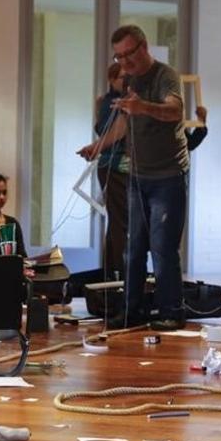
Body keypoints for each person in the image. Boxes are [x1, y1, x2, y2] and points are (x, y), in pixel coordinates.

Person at [77, 25, 189, 331]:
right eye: (118, 56)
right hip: (138, 176)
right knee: (133, 246)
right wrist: (96, 147)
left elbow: (174, 111)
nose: (124, 62)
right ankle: (131, 311)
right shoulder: (130, 82)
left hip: (168, 176)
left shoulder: (165, 76)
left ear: (143, 47)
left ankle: (170, 311)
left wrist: (143, 107)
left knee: (162, 246)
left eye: (128, 54)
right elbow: (124, 125)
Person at [91, 63, 131, 281]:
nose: (126, 81)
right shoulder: (114, 103)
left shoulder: (104, 102)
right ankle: (121, 273)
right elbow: (113, 132)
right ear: (111, 79)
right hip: (116, 166)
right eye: (122, 77)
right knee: (120, 223)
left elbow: (100, 128)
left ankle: (111, 272)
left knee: (116, 221)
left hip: (112, 165)